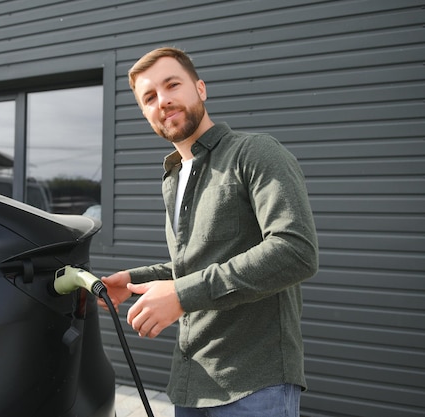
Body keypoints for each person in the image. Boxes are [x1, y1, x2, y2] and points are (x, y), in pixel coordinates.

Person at [98, 47, 319, 416]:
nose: (163, 100)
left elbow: (295, 251)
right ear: (145, 113)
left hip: (255, 385)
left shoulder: (255, 152)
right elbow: (195, 266)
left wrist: (181, 296)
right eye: (150, 97)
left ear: (200, 88)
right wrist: (133, 280)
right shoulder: (173, 178)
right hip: (191, 386)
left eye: (173, 85)